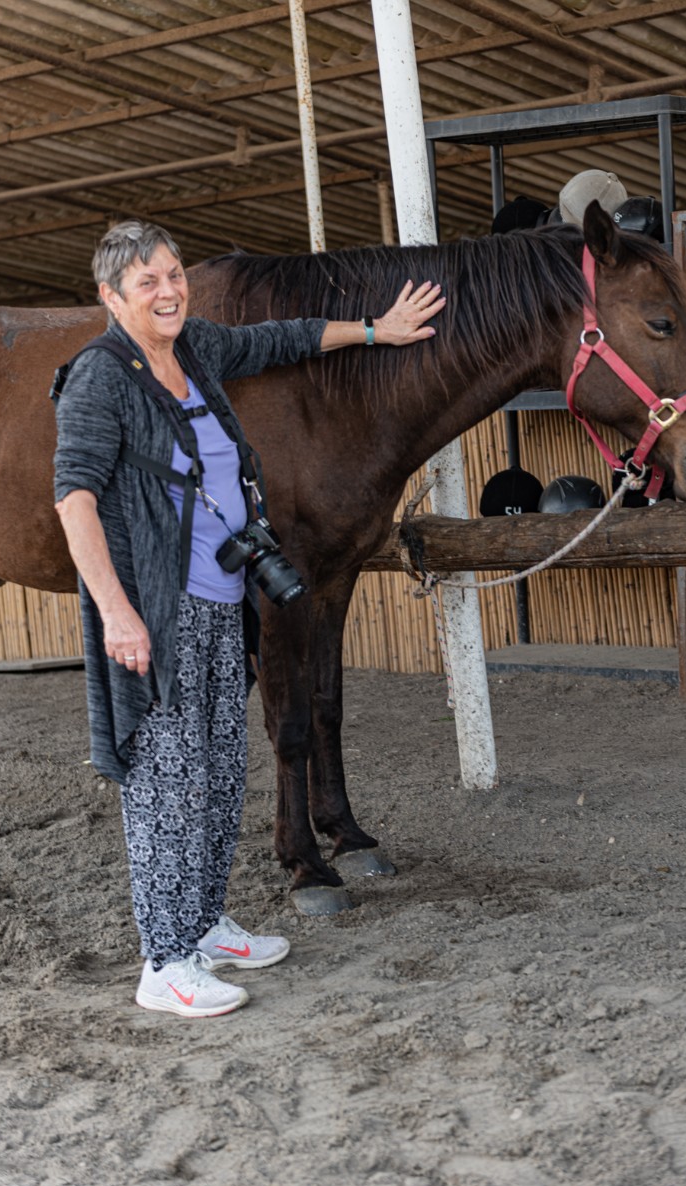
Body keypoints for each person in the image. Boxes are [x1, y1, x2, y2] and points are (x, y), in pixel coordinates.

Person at [53, 219, 446, 1019]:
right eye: (147, 284)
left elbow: (281, 338)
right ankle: (163, 962)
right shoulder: (101, 376)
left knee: (219, 768)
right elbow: (75, 498)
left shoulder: (191, 348)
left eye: (172, 275)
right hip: (155, 611)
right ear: (109, 297)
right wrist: (118, 612)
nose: (167, 291)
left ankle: (202, 923)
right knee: (164, 783)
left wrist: (376, 328)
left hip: (220, 600)